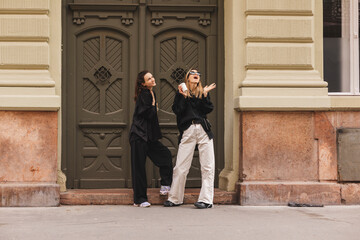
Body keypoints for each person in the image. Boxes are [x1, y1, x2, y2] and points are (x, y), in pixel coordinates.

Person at [164, 69, 216, 209]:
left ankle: (206, 200)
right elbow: (177, 110)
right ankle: (175, 198)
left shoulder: (202, 93)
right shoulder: (181, 93)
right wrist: (182, 96)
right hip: (188, 130)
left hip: (204, 130)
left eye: (198, 73)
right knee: (181, 166)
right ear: (187, 78)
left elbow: (208, 109)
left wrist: (204, 95)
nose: (196, 74)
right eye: (193, 73)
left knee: (207, 166)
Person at [129, 70, 173, 208]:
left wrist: (154, 105)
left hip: (148, 137)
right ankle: (139, 199)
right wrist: (154, 106)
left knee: (165, 155)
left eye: (152, 77)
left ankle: (165, 185)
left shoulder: (151, 93)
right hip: (139, 136)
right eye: (149, 79)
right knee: (139, 169)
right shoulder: (145, 94)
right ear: (143, 83)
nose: (152, 79)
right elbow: (147, 114)